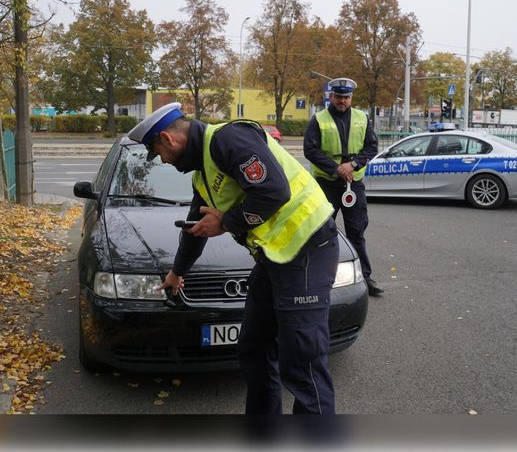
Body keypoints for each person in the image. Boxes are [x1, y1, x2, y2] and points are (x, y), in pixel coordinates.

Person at [127, 102, 339, 415]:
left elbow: (274, 190)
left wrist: (227, 222)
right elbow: (195, 228)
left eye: (159, 153)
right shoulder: (202, 175)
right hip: (274, 258)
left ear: (168, 139)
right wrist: (177, 271)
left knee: (302, 362)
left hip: (307, 249)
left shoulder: (228, 139)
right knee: (253, 349)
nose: (164, 160)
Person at [304, 77, 383, 297]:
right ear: (331, 96)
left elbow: (371, 146)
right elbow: (310, 150)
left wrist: (354, 164)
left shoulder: (361, 118)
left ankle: (365, 279)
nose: (343, 101)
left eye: (346, 97)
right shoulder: (318, 119)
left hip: (353, 184)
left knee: (357, 232)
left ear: (351, 98)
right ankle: (318, 278)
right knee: (320, 231)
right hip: (326, 184)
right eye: (339, 96)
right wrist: (336, 168)